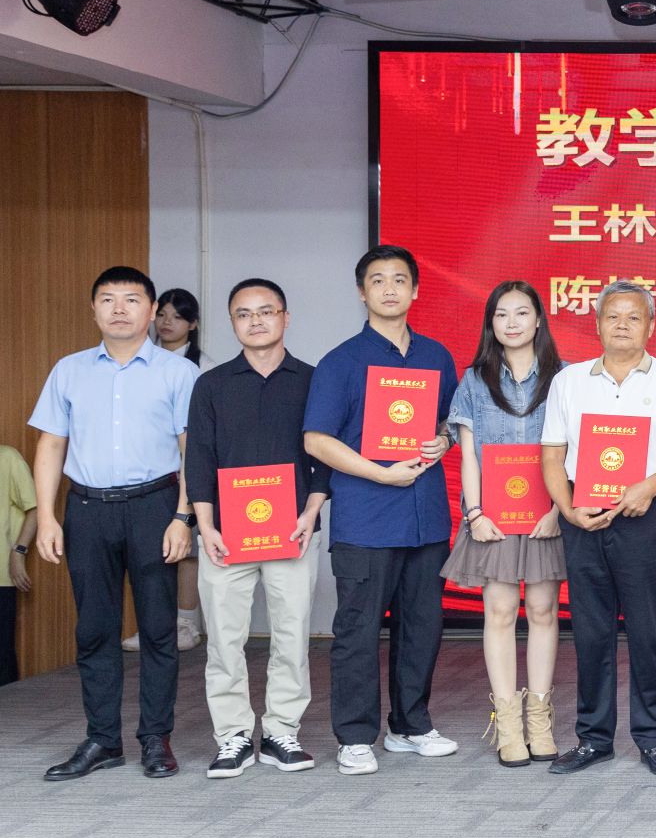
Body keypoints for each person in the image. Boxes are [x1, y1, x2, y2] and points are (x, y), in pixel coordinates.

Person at [30, 266, 199, 780]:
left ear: (151, 310)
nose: (119, 309)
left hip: (155, 507)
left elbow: (192, 450)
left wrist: (183, 516)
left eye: (131, 299)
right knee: (94, 629)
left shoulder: (178, 373)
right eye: (108, 299)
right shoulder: (69, 370)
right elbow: (51, 445)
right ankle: (102, 739)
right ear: (94, 309)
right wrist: (46, 517)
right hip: (87, 510)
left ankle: (155, 738)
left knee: (158, 630)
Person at [303, 245, 461, 776]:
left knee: (423, 627)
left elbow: (448, 422)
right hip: (366, 517)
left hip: (425, 517)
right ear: (361, 292)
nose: (389, 289)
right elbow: (317, 440)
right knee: (357, 630)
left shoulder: (436, 356)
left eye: (399, 279)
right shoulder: (341, 361)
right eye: (377, 280)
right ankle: (354, 736)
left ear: (416, 290)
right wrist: (378, 472)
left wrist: (443, 440)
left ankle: (410, 726)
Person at [541, 281, 656, 777]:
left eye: (634, 317)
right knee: (591, 632)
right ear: (597, 324)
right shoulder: (568, 381)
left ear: (651, 325)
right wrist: (567, 509)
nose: (623, 325)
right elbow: (552, 453)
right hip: (584, 517)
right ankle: (593, 739)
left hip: (646, 517)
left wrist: (647, 488)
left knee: (648, 632)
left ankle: (655, 739)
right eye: (613, 316)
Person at [186, 278, 331, 778]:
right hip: (225, 535)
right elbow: (198, 457)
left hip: (294, 530)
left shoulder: (313, 380)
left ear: (285, 317)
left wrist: (312, 511)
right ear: (232, 323)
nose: (256, 321)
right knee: (224, 640)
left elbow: (325, 453)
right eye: (244, 314)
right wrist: (205, 525)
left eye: (266, 311)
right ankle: (232, 736)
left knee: (291, 635)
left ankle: (280, 731)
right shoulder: (212, 384)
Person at [442, 280, 566, 768]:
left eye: (521, 313)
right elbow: (469, 454)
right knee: (499, 611)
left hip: (546, 516)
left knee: (542, 610)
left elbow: (574, 452)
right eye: (501, 314)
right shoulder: (475, 380)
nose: (512, 323)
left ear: (538, 320)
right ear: (490, 323)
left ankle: (540, 720)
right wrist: (474, 514)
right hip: (491, 517)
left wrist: (558, 509)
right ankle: (508, 723)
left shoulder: (565, 378)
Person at [133, 285, 208, 654]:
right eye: (161, 314)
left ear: (192, 324)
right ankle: (153, 626)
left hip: (185, 470)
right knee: (149, 551)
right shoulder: (136, 362)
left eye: (177, 317)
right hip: (148, 473)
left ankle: (186, 623)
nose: (166, 322)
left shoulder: (200, 368)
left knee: (187, 549)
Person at [1, 441, 38, 687]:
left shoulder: (8, 458)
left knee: (2, 657)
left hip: (1, 577)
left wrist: (19, 551)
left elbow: (35, 509)